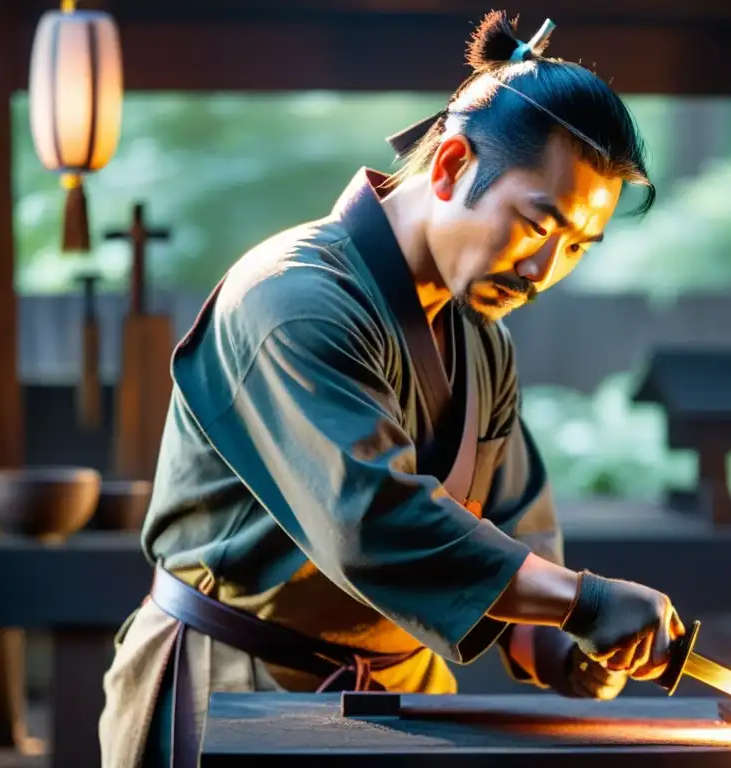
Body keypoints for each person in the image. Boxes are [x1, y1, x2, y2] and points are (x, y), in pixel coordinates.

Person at [99, 10, 683, 768]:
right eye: (539, 225)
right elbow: (374, 522)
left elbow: (511, 521)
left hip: (402, 700)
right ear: (450, 166)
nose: (546, 271)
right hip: (233, 684)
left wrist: (562, 642)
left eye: (576, 245)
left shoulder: (481, 339)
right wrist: (585, 602)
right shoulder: (290, 299)